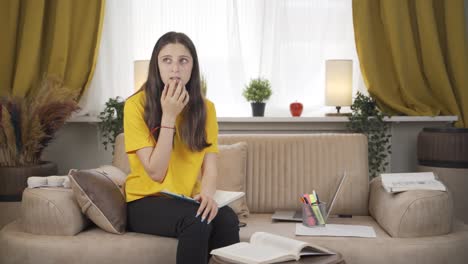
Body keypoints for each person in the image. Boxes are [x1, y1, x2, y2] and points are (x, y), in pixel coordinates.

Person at [124, 31, 240, 264]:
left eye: (183, 61)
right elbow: (156, 173)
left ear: (192, 67)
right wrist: (169, 117)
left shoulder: (206, 109)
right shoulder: (135, 105)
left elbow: (210, 168)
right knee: (196, 221)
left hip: (185, 200)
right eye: (167, 60)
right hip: (144, 201)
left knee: (227, 218)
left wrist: (207, 196)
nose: (175, 69)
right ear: (157, 65)